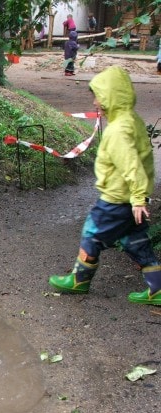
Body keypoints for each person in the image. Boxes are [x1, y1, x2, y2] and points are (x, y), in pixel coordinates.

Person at [48, 66, 161, 306]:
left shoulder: (119, 130)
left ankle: (79, 280)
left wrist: (138, 198)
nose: (95, 101)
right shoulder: (132, 120)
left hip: (117, 199)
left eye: (98, 95)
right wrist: (138, 199)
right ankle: (157, 288)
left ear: (112, 95)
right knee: (136, 241)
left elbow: (132, 166)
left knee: (91, 233)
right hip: (129, 201)